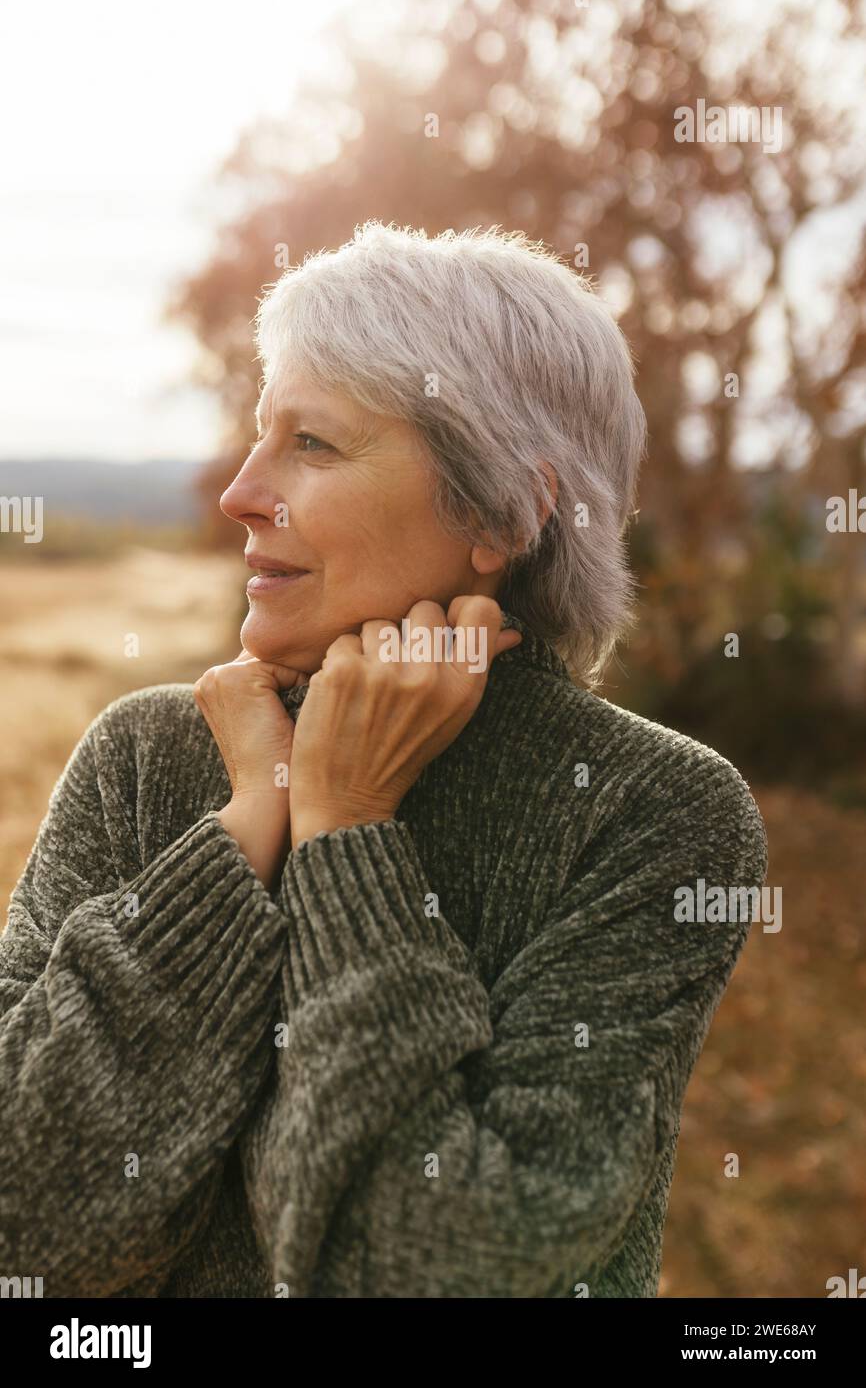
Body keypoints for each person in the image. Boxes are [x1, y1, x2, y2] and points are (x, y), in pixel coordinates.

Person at [0, 221, 767, 1298]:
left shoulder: (652, 813)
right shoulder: (145, 756)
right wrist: (239, 838)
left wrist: (348, 826)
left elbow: (423, 1269)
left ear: (501, 509)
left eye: (311, 443)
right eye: (260, 434)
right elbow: (23, 1230)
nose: (240, 491)